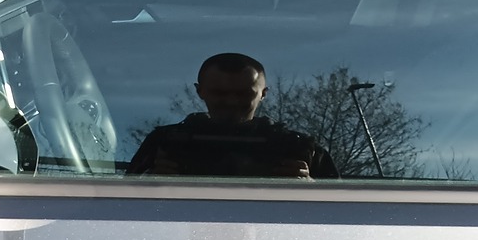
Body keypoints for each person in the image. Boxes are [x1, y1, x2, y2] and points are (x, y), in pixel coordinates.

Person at [126, 53, 339, 179]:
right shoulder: (164, 143)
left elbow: (343, 212)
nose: (231, 102)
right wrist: (150, 181)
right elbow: (119, 204)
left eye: (243, 94)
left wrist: (309, 187)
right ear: (200, 91)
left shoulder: (300, 149)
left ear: (263, 94)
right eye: (219, 93)